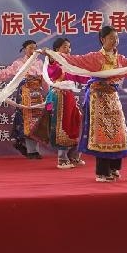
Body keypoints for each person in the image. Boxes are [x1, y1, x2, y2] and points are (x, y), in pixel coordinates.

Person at [58, 26, 127, 182]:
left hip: (113, 98)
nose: (115, 40)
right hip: (98, 98)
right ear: (102, 39)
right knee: (103, 135)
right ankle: (102, 172)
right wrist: (54, 55)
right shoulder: (95, 57)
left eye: (116, 37)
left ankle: (114, 168)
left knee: (118, 133)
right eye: (111, 38)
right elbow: (75, 60)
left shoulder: (120, 59)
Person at [0, 39, 45, 159]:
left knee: (36, 122)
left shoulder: (40, 62)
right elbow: (5, 73)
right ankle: (31, 151)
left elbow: (45, 78)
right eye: (30, 48)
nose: (33, 50)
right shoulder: (19, 63)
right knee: (26, 121)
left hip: (37, 95)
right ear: (24, 50)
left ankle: (34, 150)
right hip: (24, 94)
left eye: (35, 48)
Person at [34, 38, 88, 169]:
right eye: (65, 47)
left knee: (75, 122)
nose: (68, 49)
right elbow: (52, 71)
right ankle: (62, 158)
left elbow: (81, 77)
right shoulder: (53, 63)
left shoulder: (70, 64)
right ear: (57, 49)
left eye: (69, 47)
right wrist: (51, 58)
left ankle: (73, 155)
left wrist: (98, 76)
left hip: (69, 97)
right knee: (61, 125)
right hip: (57, 97)